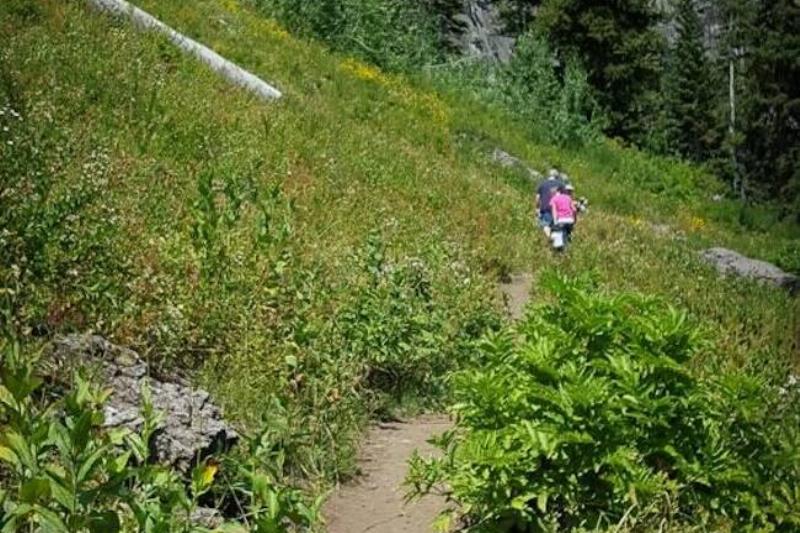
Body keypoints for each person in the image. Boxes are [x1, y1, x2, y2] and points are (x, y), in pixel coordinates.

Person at [535, 169, 563, 237]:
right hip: (558, 209)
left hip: (545, 208)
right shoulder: (560, 184)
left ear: (549, 175)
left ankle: (549, 237)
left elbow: (537, 198)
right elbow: (564, 198)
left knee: (546, 225)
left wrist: (537, 207)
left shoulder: (542, 184)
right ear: (557, 176)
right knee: (557, 227)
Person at [549, 184, 577, 250]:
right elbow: (574, 210)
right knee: (568, 234)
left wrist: (555, 221)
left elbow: (554, 211)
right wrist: (574, 219)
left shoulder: (554, 198)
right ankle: (569, 247)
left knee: (560, 236)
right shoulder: (568, 198)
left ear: (558, 191)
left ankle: (562, 251)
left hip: (561, 220)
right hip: (570, 220)